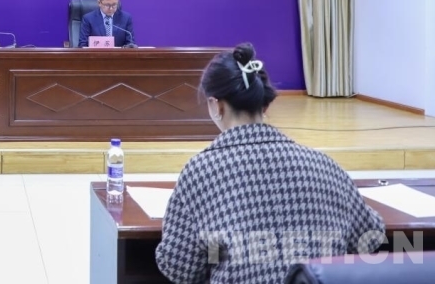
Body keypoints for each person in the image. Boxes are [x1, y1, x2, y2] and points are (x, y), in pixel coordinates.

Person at [155, 43, 384, 284]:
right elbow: (369, 238)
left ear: (217, 105)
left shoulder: (201, 172)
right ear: (264, 104)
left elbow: (180, 268)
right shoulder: (326, 166)